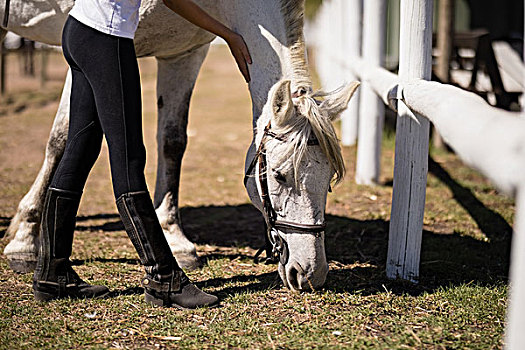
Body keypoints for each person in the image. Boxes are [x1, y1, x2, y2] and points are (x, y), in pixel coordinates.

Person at [32, 0, 252, 309]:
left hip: (80, 29)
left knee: (80, 150)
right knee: (129, 159)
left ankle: (51, 274)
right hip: (105, 40)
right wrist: (227, 33)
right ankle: (163, 276)